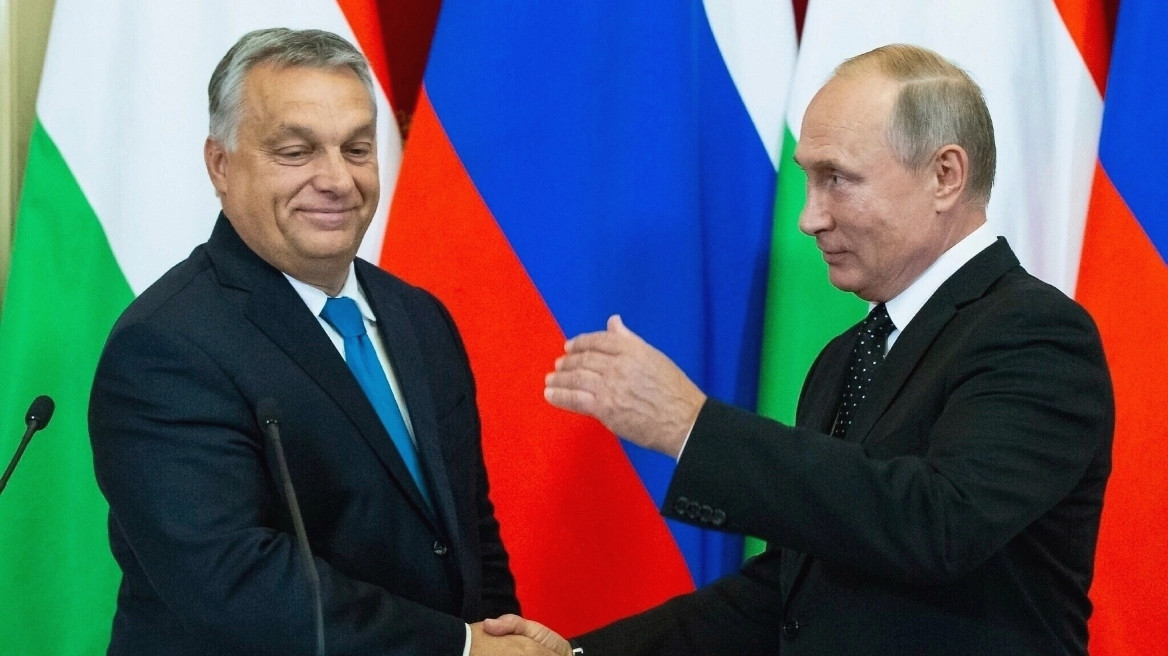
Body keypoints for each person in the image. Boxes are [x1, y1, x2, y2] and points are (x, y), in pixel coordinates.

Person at [487, 44, 1114, 655]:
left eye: (836, 179)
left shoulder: (1037, 334)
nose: (809, 218)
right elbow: (790, 593)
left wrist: (690, 426)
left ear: (944, 175)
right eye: (808, 180)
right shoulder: (846, 357)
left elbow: (940, 525)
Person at [89, 28, 555, 656]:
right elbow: (236, 585)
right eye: (296, 151)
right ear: (220, 165)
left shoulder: (420, 318)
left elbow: (469, 534)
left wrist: (502, 636)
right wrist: (461, 648)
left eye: (357, 149)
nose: (337, 179)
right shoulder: (164, 347)